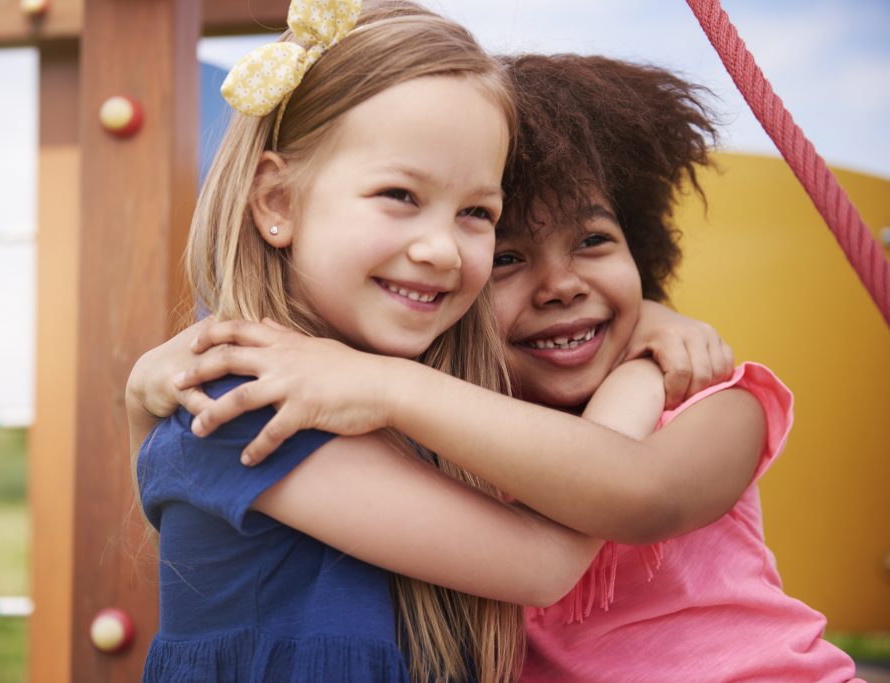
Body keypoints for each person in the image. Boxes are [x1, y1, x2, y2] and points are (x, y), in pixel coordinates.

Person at [132, 54, 861, 681]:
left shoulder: (710, 395)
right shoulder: (435, 435)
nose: (561, 284)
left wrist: (642, 357)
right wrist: (142, 394)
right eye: (508, 256)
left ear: (642, 251)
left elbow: (648, 493)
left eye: (595, 241)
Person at [130, 2, 665, 681]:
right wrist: (641, 369)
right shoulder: (246, 400)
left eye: (477, 212)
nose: (442, 249)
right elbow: (546, 562)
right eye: (400, 195)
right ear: (278, 202)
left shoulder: (398, 403)